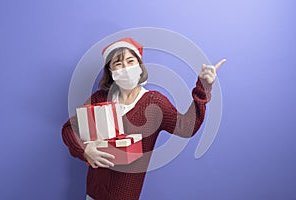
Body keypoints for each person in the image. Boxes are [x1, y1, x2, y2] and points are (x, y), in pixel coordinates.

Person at [62, 38, 226, 200]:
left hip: (125, 195)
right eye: (118, 63)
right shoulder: (100, 98)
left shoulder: (155, 103)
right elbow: (69, 128)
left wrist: (203, 88)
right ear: (110, 71)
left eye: (130, 61)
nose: (125, 68)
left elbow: (187, 127)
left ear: (140, 67)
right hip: (94, 192)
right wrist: (84, 149)